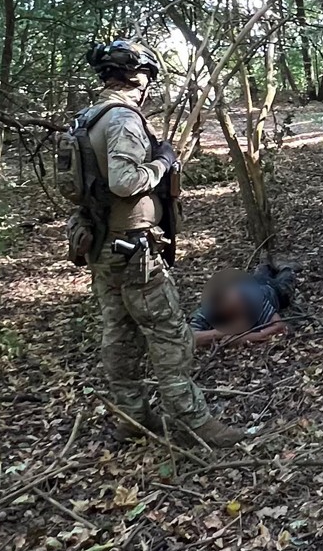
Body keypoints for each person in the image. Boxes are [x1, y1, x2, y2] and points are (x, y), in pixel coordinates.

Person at [74, 39, 244, 447]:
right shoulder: (122, 119)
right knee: (169, 333)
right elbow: (124, 181)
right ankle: (191, 420)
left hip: (102, 245)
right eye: (148, 78)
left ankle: (131, 417)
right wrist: (163, 162)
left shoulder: (87, 117)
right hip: (132, 249)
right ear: (139, 79)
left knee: (119, 334)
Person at [190, 263, 296, 347]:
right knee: (262, 272)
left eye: (241, 304)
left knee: (286, 278)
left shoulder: (252, 300)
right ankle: (266, 264)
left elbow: (280, 326)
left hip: (272, 290)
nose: (242, 309)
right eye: (234, 310)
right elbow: (191, 337)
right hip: (253, 282)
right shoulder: (208, 310)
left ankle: (282, 266)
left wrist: (246, 337)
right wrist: (222, 332)